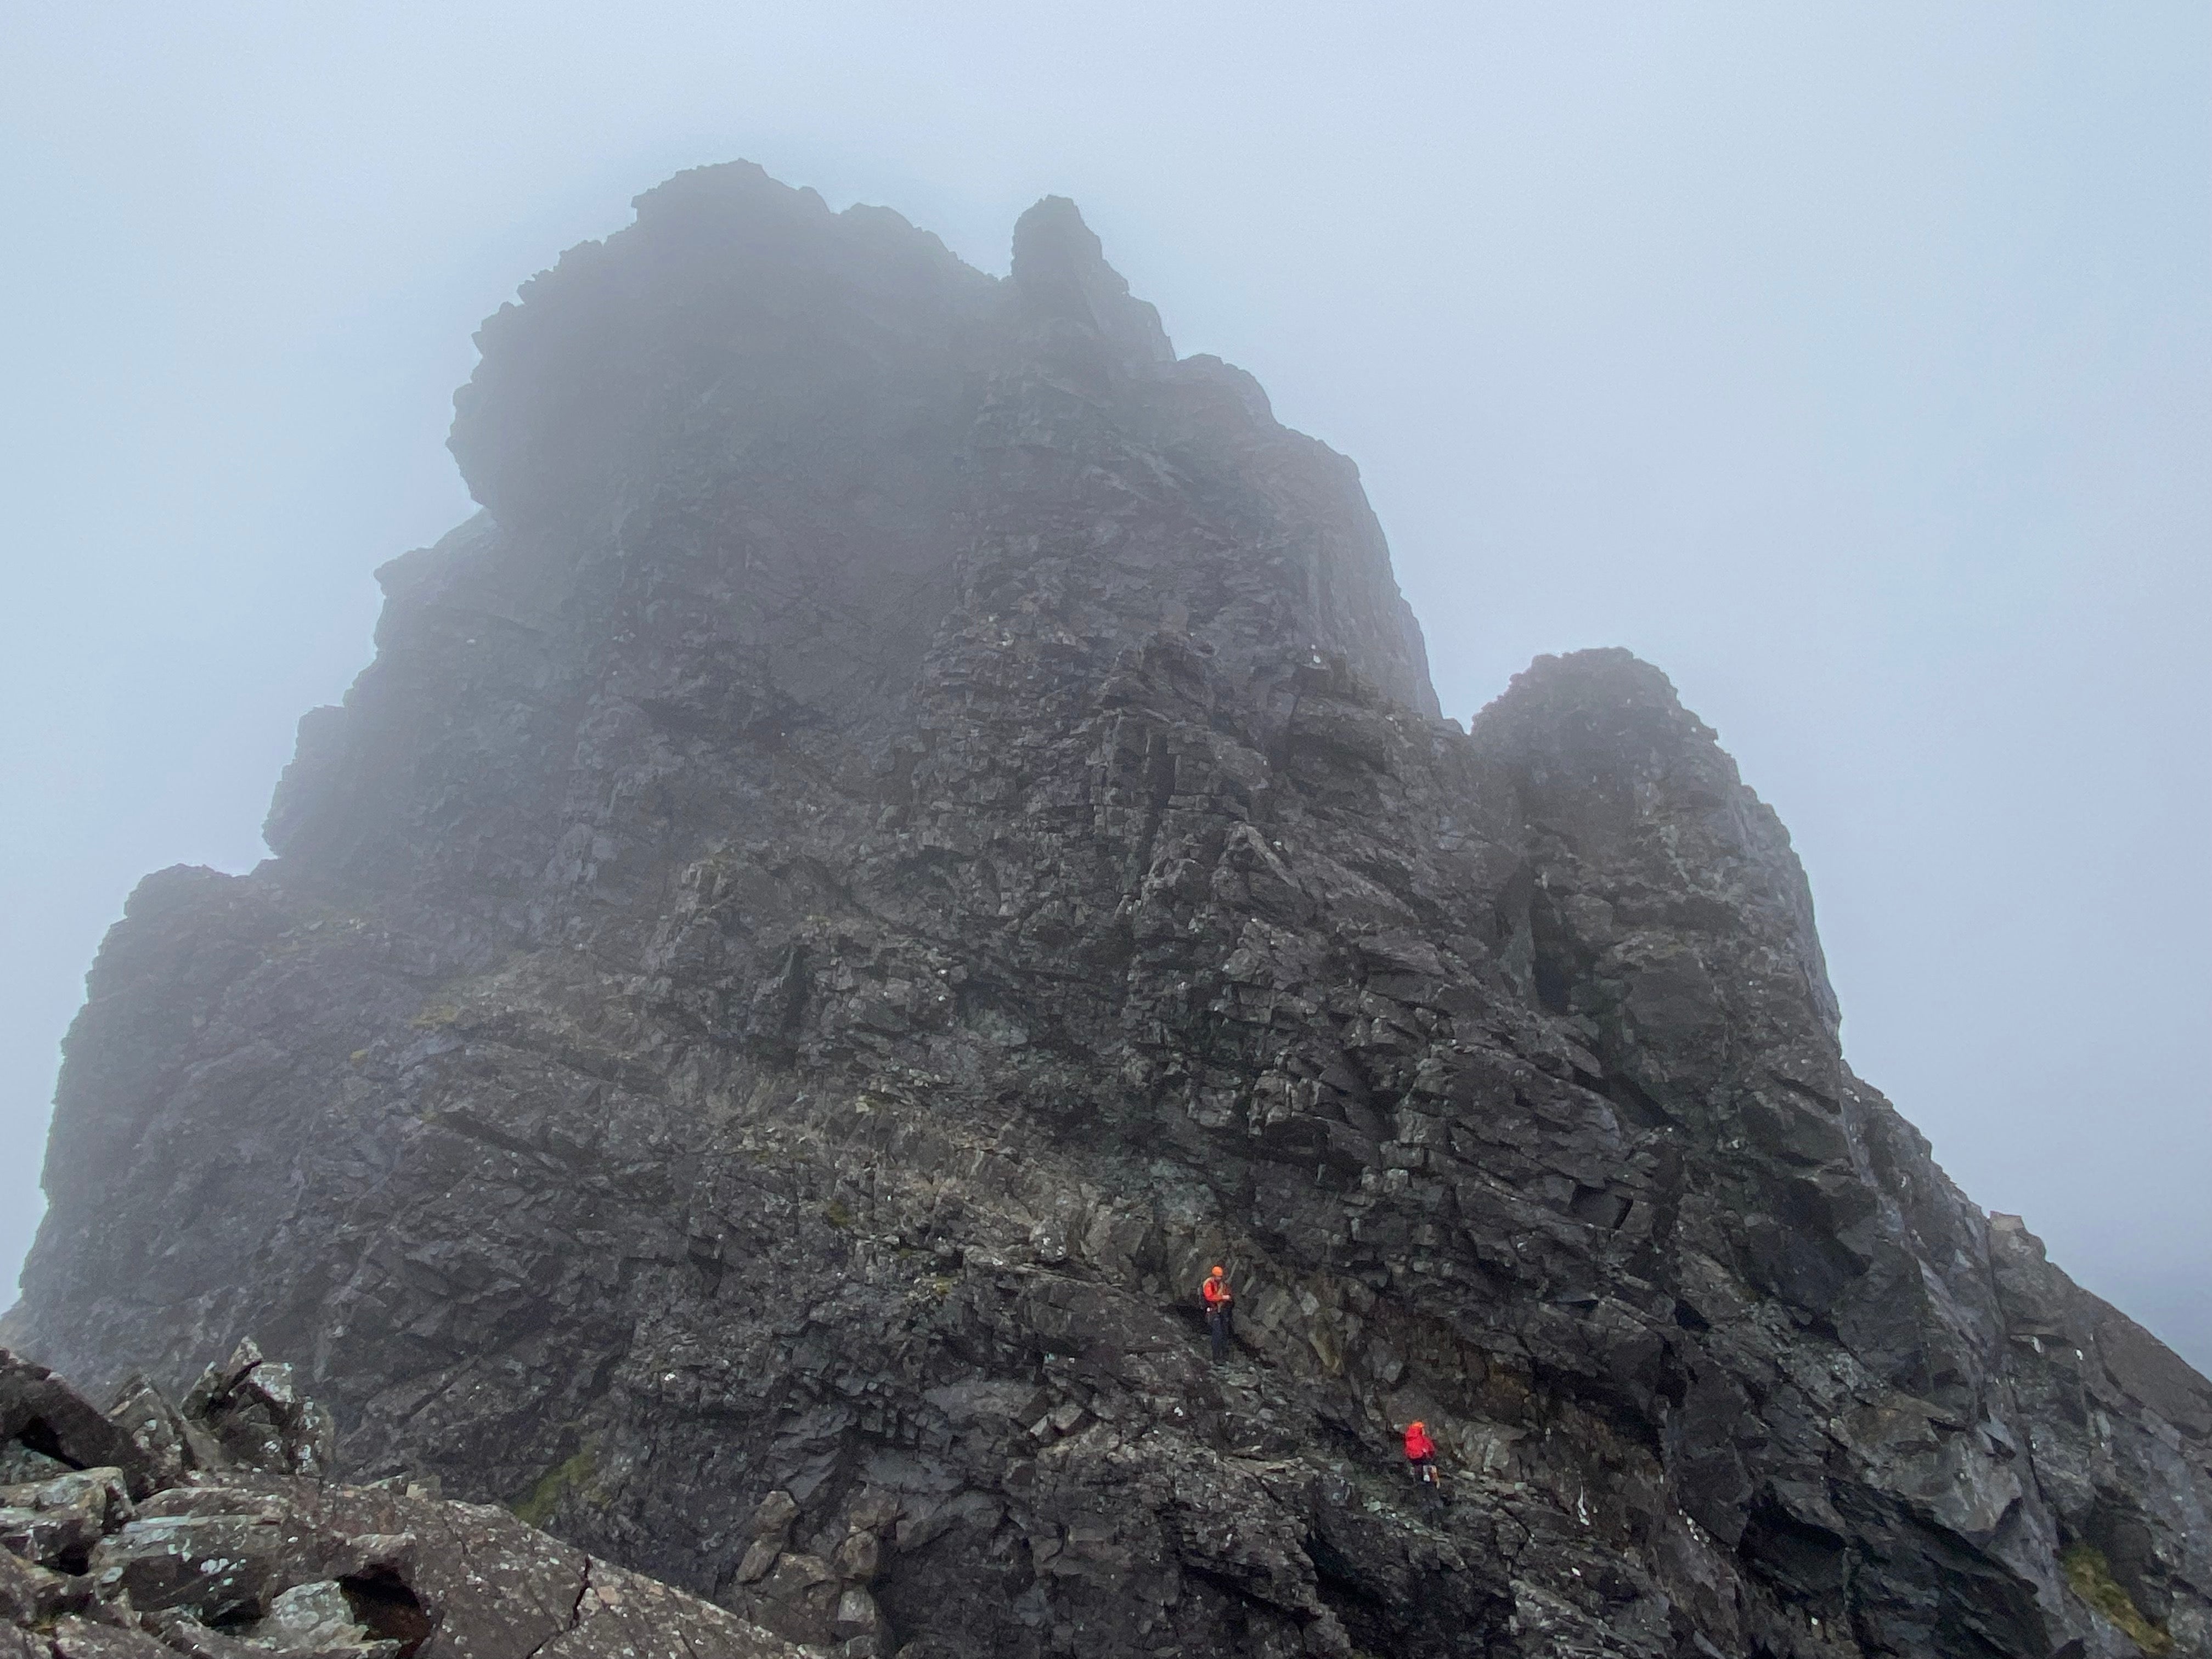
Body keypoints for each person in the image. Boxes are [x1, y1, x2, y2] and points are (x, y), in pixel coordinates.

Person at [1200, 1266, 1234, 1362]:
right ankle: (1216, 1357)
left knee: (1224, 1332)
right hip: (1212, 1311)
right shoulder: (1208, 1284)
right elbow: (1209, 1297)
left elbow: (1230, 1296)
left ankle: (1224, 1356)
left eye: (1220, 1277)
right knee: (1217, 1333)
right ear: (1214, 1276)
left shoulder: (1222, 1285)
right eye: (1218, 1276)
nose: (1219, 1278)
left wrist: (1228, 1299)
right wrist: (1223, 1298)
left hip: (1221, 1311)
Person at [1404, 1420, 1440, 1488]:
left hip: (1412, 1458)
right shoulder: (1422, 1438)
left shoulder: (1409, 1439)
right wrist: (1432, 1454)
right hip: (1422, 1456)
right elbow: (1430, 1447)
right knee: (1428, 1465)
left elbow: (1406, 1450)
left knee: (1417, 1466)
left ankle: (1416, 1478)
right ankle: (1427, 1478)